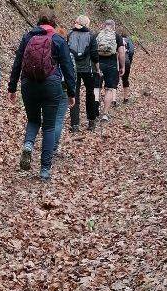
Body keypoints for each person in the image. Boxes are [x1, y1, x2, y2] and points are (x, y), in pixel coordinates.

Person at [8, 10, 76, 182]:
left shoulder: (27, 37)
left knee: (33, 120)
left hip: (28, 84)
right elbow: (68, 67)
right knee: (49, 126)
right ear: (53, 23)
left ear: (38, 22)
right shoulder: (58, 39)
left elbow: (18, 62)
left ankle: (28, 144)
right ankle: (45, 169)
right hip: (51, 85)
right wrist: (72, 92)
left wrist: (12, 87)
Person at [66, 15, 99, 132]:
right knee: (91, 94)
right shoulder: (91, 36)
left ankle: (75, 125)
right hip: (88, 69)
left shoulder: (69, 35)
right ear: (86, 24)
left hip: (73, 69)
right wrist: (97, 69)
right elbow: (94, 55)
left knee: (74, 95)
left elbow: (66, 53)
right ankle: (91, 121)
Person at [95, 18, 126, 121]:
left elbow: (92, 50)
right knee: (109, 89)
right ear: (113, 26)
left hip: (98, 64)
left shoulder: (97, 35)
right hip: (111, 65)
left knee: (96, 88)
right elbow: (121, 53)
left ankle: (95, 109)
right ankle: (105, 113)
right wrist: (122, 66)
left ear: (104, 25)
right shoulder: (117, 36)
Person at [52, 25, 75, 159]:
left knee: (49, 117)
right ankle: (53, 147)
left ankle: (45, 143)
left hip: (49, 85)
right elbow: (72, 73)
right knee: (58, 119)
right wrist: (72, 92)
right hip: (63, 87)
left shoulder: (48, 50)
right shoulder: (68, 53)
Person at [119, 31, 135, 104]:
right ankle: (126, 98)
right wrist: (129, 61)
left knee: (114, 80)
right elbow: (131, 52)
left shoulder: (117, 39)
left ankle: (113, 100)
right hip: (126, 61)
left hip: (116, 61)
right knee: (125, 79)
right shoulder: (129, 41)